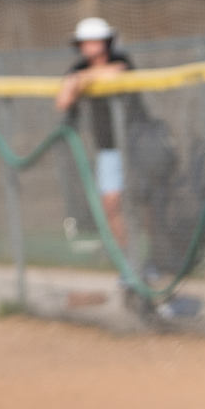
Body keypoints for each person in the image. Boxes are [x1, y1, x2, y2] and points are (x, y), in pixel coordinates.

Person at [54, 17, 134, 252]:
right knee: (110, 204)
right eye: (85, 42)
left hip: (134, 144)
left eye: (95, 42)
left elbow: (117, 73)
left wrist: (80, 81)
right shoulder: (77, 69)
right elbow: (62, 101)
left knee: (145, 205)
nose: (89, 47)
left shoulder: (120, 60)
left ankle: (154, 258)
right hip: (107, 147)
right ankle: (128, 261)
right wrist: (78, 79)